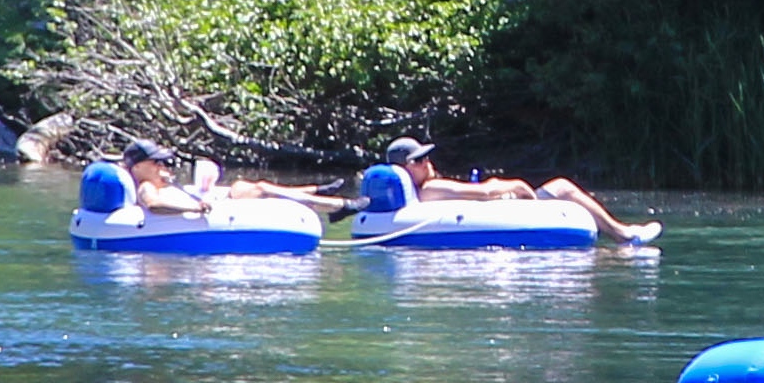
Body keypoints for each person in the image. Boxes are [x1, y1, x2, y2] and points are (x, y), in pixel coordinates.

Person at [385, 139, 662, 245]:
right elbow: (482, 193)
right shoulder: (432, 187)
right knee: (562, 186)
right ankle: (622, 234)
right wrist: (514, 186)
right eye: (420, 160)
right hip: (505, 208)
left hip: (498, 212)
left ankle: (618, 235)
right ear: (406, 168)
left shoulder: (422, 191)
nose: (428, 163)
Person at [121, 140, 348, 217]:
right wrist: (195, 208)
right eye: (156, 162)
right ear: (139, 167)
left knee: (244, 185)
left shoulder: (157, 181)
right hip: (209, 210)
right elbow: (155, 205)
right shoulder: (146, 187)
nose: (162, 165)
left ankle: (315, 189)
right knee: (261, 189)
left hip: (210, 202)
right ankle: (338, 205)